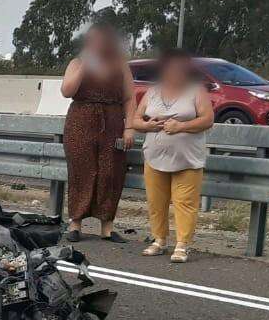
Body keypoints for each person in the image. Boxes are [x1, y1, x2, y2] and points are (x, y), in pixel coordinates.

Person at [128, 46, 214, 264]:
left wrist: (181, 126)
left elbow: (207, 120)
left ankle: (182, 244)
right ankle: (159, 240)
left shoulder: (196, 91)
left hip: (187, 159)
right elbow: (136, 120)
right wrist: (148, 125)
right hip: (155, 157)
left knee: (185, 202)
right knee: (156, 202)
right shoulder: (152, 92)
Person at [60, 24, 132, 242]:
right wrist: (85, 65)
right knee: (81, 171)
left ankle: (107, 225)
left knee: (111, 172)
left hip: (112, 122)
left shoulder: (120, 65)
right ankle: (75, 222)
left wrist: (129, 128)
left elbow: (129, 98)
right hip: (80, 122)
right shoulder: (76, 63)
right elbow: (67, 91)